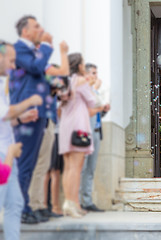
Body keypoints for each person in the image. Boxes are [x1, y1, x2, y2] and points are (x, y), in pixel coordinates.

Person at [9, 15, 53, 224]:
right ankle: (21, 208)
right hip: (26, 114)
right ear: (25, 31)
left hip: (38, 114)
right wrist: (46, 47)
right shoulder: (19, 49)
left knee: (31, 163)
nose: (41, 29)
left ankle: (25, 205)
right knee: (25, 163)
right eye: (36, 26)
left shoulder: (32, 53)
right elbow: (35, 69)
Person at [0, 41, 42, 240]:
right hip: (3, 155)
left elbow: (4, 118)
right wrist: (30, 101)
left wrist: (21, 119)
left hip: (9, 152)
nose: (13, 65)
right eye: (11, 60)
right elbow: (6, 112)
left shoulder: (2, 84)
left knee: (15, 204)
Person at [59, 53, 106, 218]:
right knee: (76, 168)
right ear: (79, 66)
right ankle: (72, 204)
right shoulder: (82, 81)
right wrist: (96, 88)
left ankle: (69, 203)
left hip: (65, 127)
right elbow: (94, 103)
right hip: (79, 128)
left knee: (68, 168)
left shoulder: (65, 81)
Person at [28, 41, 69, 221]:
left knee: (43, 167)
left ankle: (39, 205)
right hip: (38, 120)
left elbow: (61, 83)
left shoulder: (46, 79)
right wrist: (63, 53)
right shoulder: (35, 74)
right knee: (38, 167)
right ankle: (33, 205)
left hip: (49, 120)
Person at [79, 63, 110, 212]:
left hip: (96, 131)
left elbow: (96, 112)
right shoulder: (84, 90)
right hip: (84, 133)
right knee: (81, 168)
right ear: (85, 75)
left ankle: (87, 200)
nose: (95, 77)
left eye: (96, 73)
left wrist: (103, 111)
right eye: (93, 73)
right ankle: (77, 201)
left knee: (91, 168)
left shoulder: (94, 92)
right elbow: (86, 111)